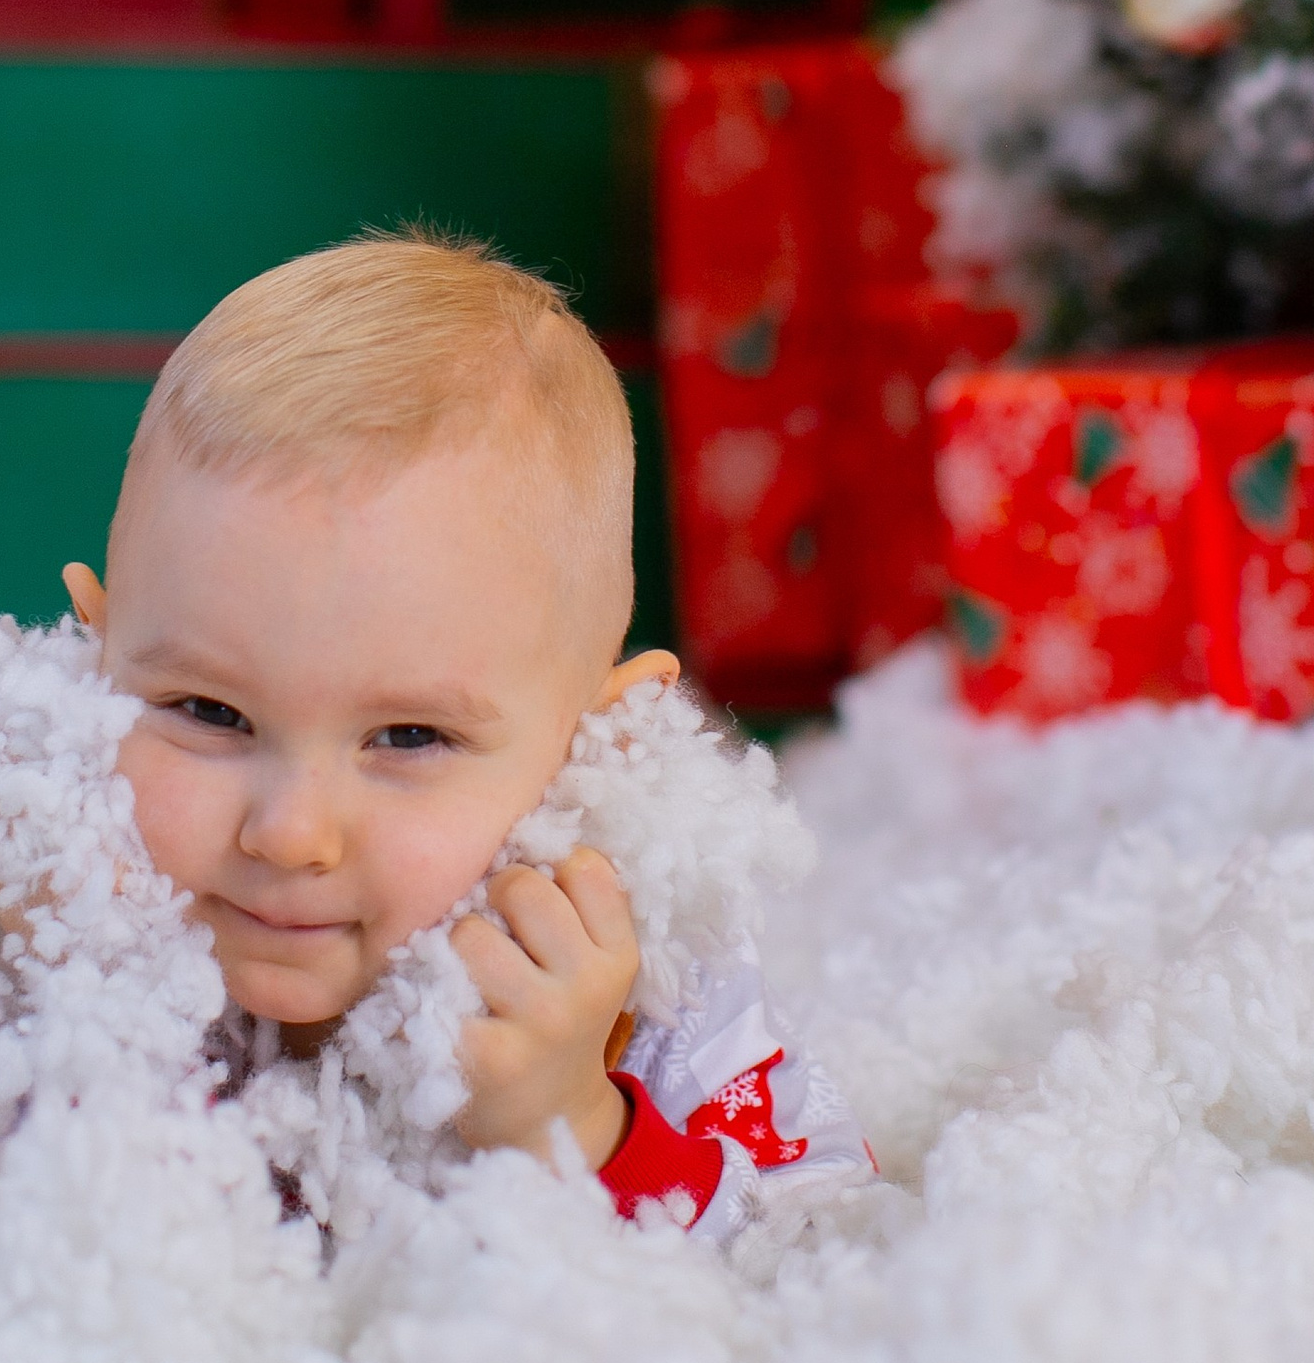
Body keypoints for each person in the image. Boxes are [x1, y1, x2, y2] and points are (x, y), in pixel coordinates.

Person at [60, 231, 869, 1234]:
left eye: (407, 737)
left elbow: (819, 1232)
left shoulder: (648, 987)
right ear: (90, 667)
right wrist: (61, 1010)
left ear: (600, 748)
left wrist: (573, 1122)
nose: (288, 833)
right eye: (210, 714)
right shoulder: (24, 915)